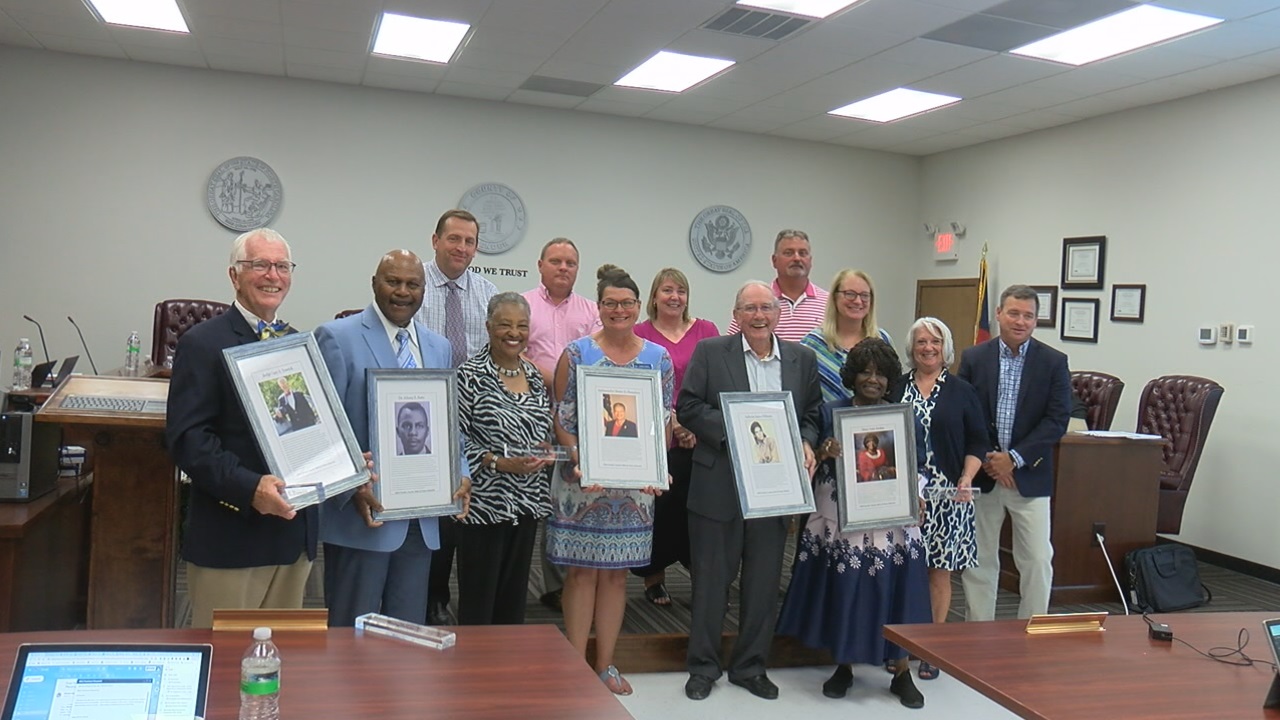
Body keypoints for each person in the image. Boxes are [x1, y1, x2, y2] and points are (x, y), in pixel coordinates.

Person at [166, 228, 317, 629]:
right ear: (235, 275)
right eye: (260, 265)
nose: (273, 275)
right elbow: (189, 441)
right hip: (232, 539)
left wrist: (342, 462)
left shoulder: (295, 342)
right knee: (226, 668)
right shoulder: (202, 343)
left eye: (282, 266)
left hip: (292, 537)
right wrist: (250, 489)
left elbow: (306, 429)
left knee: (280, 663)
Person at [678, 281, 822, 702]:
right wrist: (737, 433)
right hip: (717, 484)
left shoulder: (801, 359)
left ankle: (750, 666)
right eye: (749, 308)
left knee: (762, 585)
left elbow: (811, 414)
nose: (759, 316)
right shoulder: (711, 353)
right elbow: (688, 406)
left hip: (774, 490)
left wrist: (807, 441)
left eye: (766, 308)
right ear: (736, 313)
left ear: (777, 313)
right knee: (710, 583)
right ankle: (703, 667)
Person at [313, 249, 471, 627]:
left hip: (421, 518)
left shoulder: (438, 347)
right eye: (393, 281)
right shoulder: (336, 337)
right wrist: (352, 486)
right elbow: (322, 430)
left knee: (406, 639)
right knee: (350, 638)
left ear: (423, 291)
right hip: (363, 517)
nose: (403, 291)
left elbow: (448, 423)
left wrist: (460, 471)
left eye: (412, 284)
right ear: (374, 284)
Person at [775, 337, 930, 709]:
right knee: (846, 588)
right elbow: (811, 452)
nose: (872, 379)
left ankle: (902, 670)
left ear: (890, 378)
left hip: (892, 522)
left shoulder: (903, 416)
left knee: (897, 589)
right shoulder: (831, 412)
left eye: (880, 373)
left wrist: (919, 494)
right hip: (843, 521)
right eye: (864, 371)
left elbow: (920, 463)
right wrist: (826, 450)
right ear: (852, 375)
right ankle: (843, 665)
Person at [550, 264, 674, 696]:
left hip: (635, 489)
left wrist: (656, 467)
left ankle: (603, 666)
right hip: (582, 481)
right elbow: (562, 419)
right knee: (581, 573)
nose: (618, 310)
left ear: (639, 307)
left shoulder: (658, 358)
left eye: (626, 303)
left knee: (618, 575)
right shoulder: (577, 353)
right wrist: (578, 454)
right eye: (610, 303)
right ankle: (571, 666)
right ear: (598, 307)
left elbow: (662, 422)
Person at [958, 285, 1071, 621]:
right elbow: (966, 413)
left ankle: (1032, 631)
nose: (1021, 321)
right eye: (1014, 313)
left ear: (1036, 321)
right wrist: (993, 458)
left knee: (1037, 558)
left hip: (1030, 477)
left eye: (1028, 316)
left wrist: (1016, 458)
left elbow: (1057, 420)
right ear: (998, 313)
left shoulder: (1053, 362)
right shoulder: (974, 358)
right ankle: (978, 632)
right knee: (980, 559)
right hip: (984, 474)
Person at [415, 209, 499, 626]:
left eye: (469, 241)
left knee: (471, 512)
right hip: (425, 415)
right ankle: (433, 596)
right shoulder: (414, 287)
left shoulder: (488, 292)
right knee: (436, 515)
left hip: (474, 414)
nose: (461, 248)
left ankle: (476, 601)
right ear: (435, 240)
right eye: (454, 239)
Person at [893, 317, 988, 679]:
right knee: (902, 570)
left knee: (938, 574)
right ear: (911, 349)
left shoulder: (962, 391)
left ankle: (929, 647)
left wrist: (967, 476)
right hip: (904, 496)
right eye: (920, 342)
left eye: (935, 341)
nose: (928, 348)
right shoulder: (898, 387)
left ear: (945, 347)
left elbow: (978, 440)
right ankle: (899, 646)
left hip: (948, 496)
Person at [456, 293, 555, 625]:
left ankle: (507, 670)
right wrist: (497, 462)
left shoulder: (536, 376)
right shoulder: (469, 375)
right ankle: (473, 672)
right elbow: (455, 439)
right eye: (505, 325)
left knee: (514, 601)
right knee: (479, 601)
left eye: (522, 326)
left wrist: (546, 451)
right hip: (483, 503)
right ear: (488, 327)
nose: (514, 333)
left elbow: (544, 428)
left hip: (527, 503)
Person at [521, 238, 602, 613]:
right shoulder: (524, 305)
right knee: (529, 500)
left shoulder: (591, 311)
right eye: (556, 261)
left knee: (565, 503)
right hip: (530, 415)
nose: (563, 268)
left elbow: (599, 358)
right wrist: (548, 374)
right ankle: (519, 580)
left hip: (574, 420)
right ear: (540, 265)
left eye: (570, 262)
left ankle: (559, 585)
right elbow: (512, 349)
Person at [631, 267, 719, 606]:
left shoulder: (706, 331)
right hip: (655, 439)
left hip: (702, 438)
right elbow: (639, 385)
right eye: (667, 290)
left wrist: (695, 426)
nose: (674, 297)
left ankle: (702, 578)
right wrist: (675, 424)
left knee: (699, 512)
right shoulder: (639, 332)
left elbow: (716, 381)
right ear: (654, 296)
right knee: (659, 512)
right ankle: (654, 580)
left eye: (680, 291)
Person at [801, 269, 893, 403]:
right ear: (834, 297)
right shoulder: (812, 344)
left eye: (864, 295)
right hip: (823, 422)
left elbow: (892, 387)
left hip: (874, 421)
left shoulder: (882, 339)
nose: (858, 301)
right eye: (850, 294)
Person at [725, 230, 828, 341]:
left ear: (810, 260)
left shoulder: (829, 303)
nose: (797, 258)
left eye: (803, 253)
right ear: (774, 260)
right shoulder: (756, 301)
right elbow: (731, 346)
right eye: (789, 253)